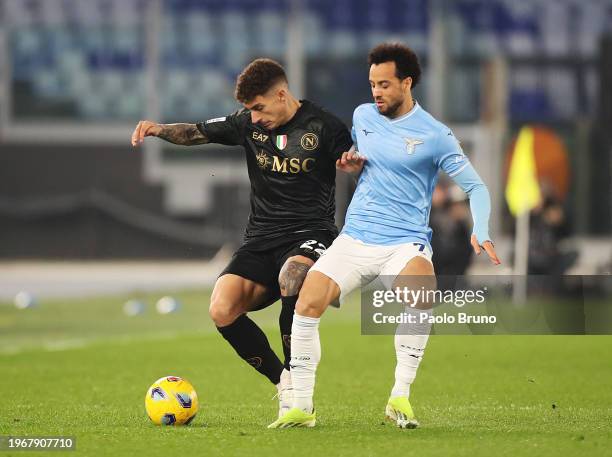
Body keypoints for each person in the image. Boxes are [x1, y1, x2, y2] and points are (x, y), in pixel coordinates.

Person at [269, 43, 500, 429]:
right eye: (373, 84)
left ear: (407, 83)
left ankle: (400, 396)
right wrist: (350, 163)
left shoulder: (435, 135)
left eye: (385, 84)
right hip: (356, 236)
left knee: (421, 293)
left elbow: (477, 188)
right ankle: (303, 408)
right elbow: (368, 168)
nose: (376, 92)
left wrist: (483, 229)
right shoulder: (363, 116)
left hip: (403, 241)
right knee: (306, 301)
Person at [131, 58, 352, 418]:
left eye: (258, 108)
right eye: (248, 110)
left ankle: (300, 382)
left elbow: (358, 165)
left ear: (282, 94)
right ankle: (283, 382)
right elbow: (196, 132)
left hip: (312, 233)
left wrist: (353, 165)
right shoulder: (248, 125)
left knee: (292, 275)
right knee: (221, 308)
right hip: (261, 237)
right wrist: (158, 129)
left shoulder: (325, 126)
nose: (253, 117)